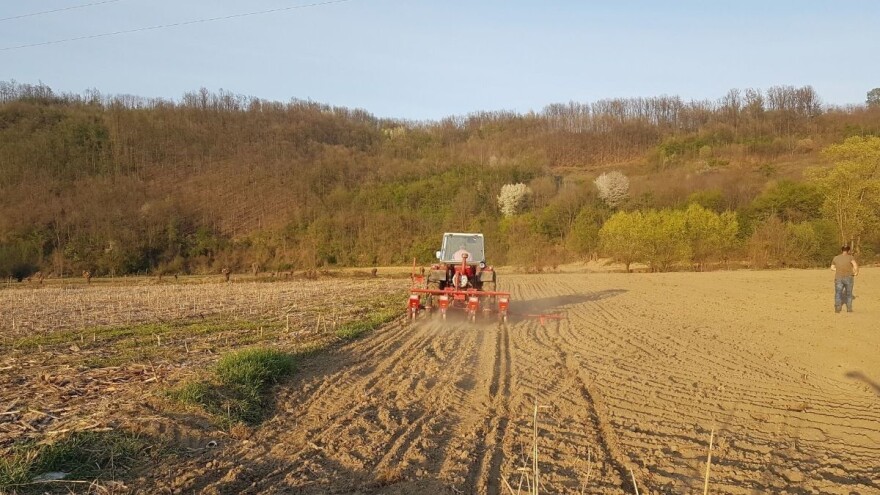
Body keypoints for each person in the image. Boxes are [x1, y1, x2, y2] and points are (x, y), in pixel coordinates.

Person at [830, 245, 859, 313]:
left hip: (838, 277)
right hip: (849, 277)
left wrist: (838, 269)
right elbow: (855, 265)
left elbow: (832, 268)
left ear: (841, 250)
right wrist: (856, 272)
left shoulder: (836, 258)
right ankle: (849, 309)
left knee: (838, 293)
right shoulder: (850, 257)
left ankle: (837, 309)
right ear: (848, 251)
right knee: (849, 294)